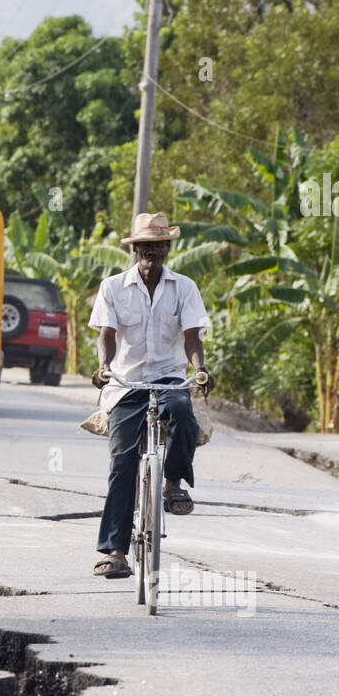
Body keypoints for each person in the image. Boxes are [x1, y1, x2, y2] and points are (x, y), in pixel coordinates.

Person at [88, 212, 215, 579]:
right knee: (122, 466)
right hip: (126, 383)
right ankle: (115, 551)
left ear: (166, 248)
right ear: (135, 249)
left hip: (169, 378)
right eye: (145, 245)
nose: (151, 251)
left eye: (158, 245)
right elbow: (106, 334)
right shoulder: (112, 287)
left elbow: (192, 336)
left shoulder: (184, 287)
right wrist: (104, 367)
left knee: (184, 415)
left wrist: (199, 369)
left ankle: (173, 484)